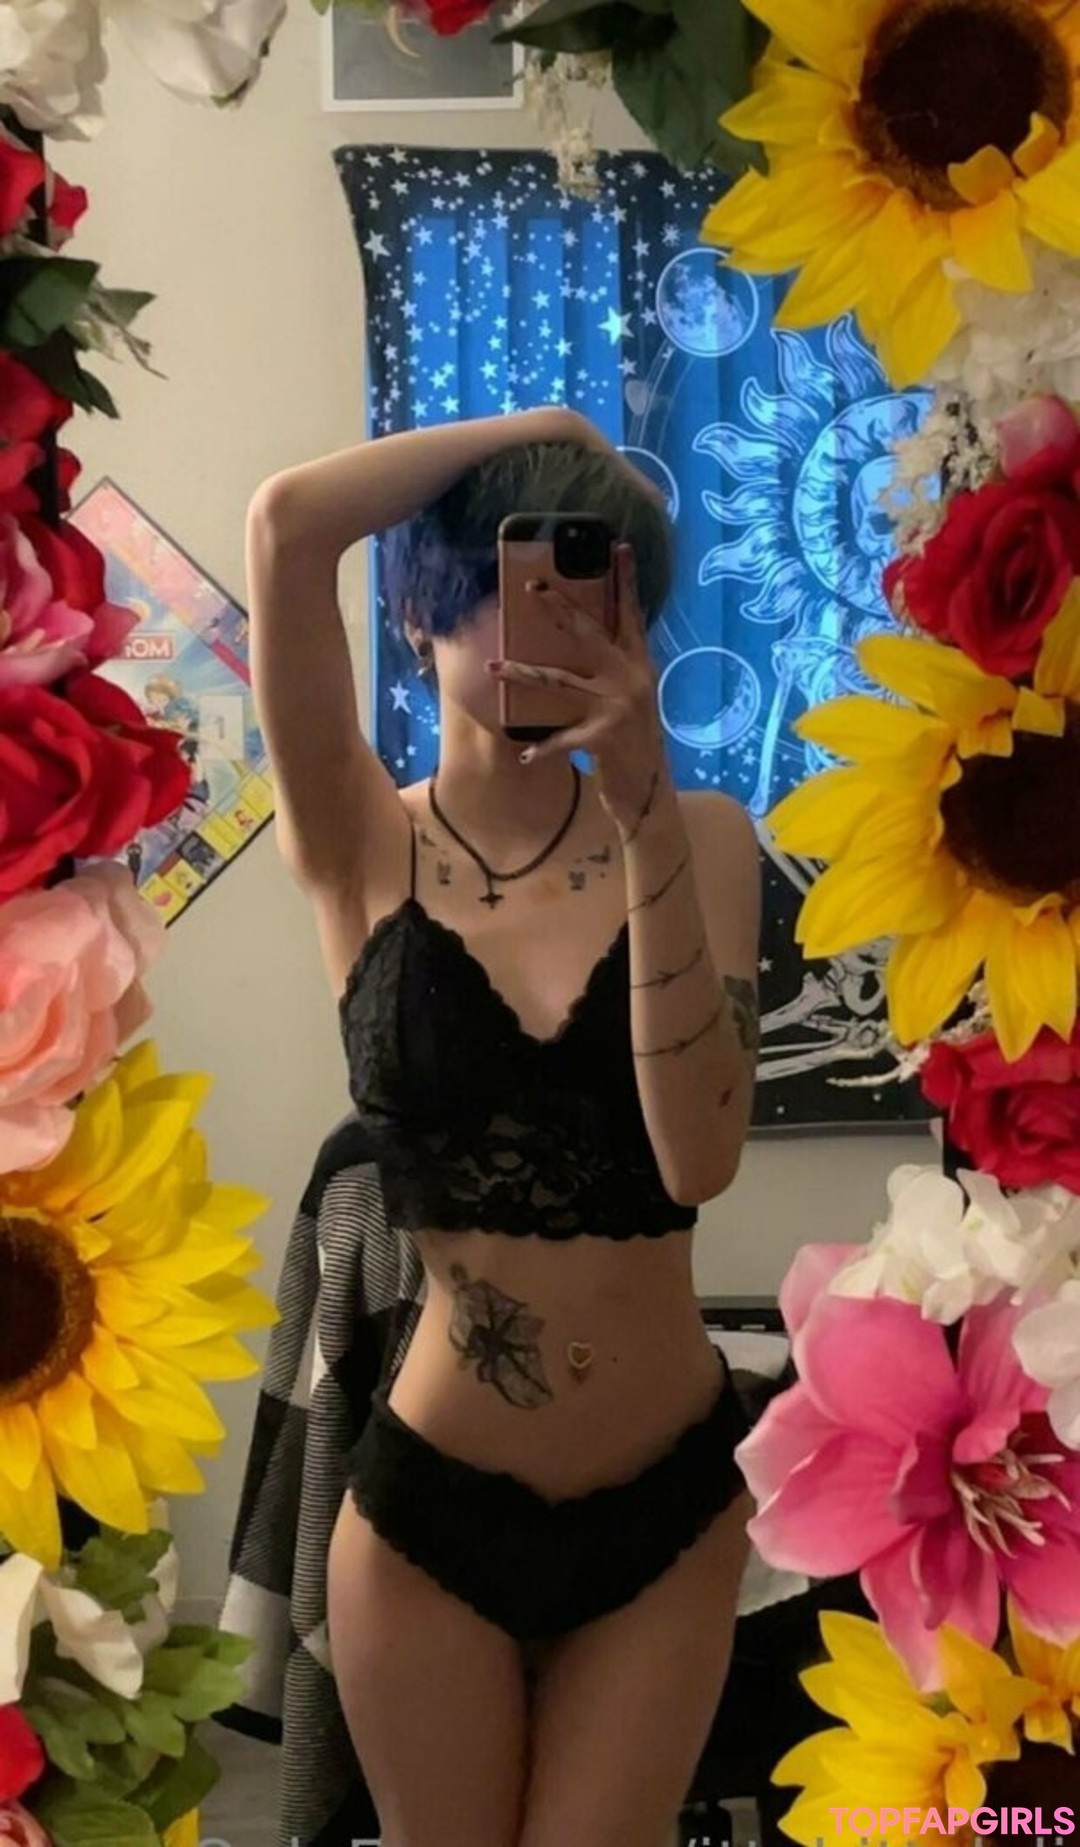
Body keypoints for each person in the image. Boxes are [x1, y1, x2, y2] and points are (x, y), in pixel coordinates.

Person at [245, 406, 762, 1847]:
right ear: (418, 617)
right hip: (433, 1514)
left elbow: (698, 1159)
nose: (546, 624)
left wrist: (645, 813)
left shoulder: (706, 836)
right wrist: (541, 434)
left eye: (593, 588)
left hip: (667, 1502)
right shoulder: (357, 838)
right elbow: (290, 522)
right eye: (501, 583)